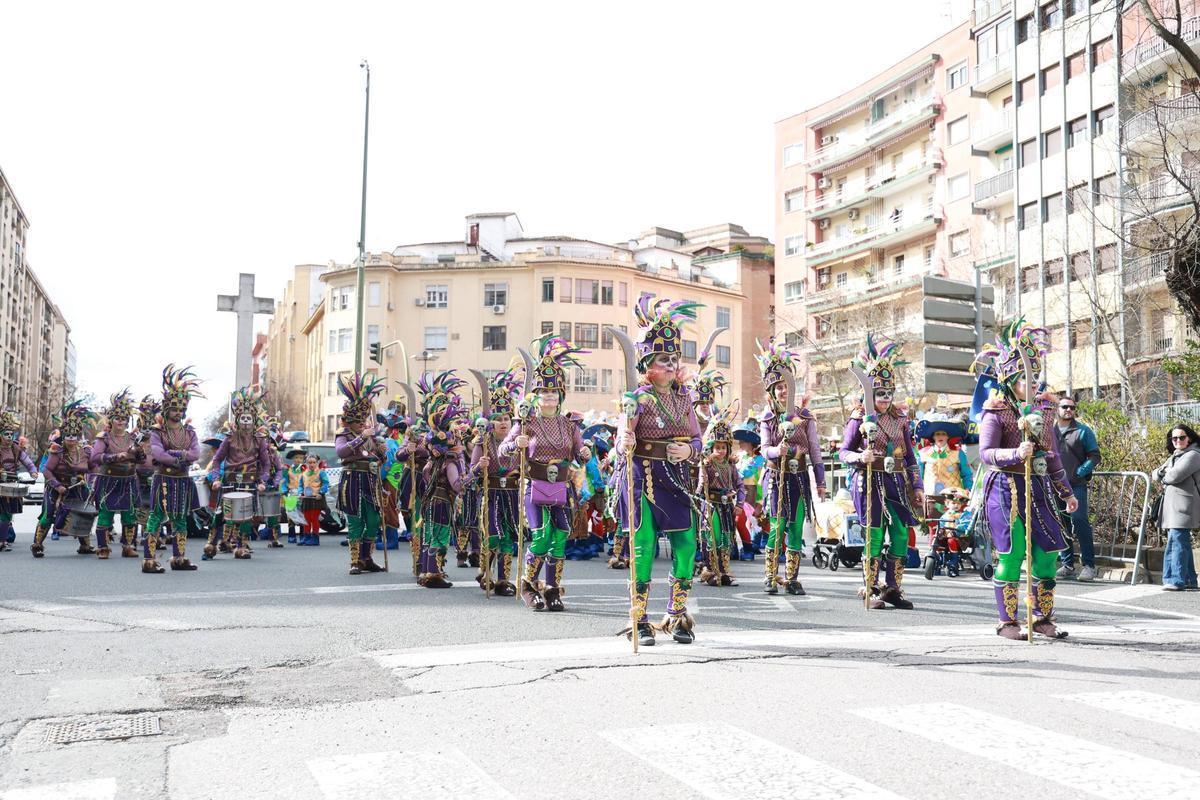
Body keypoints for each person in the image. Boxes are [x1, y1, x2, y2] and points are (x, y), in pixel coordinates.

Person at [973, 320, 1077, 639]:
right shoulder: (996, 411)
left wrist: (1066, 492)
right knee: (1013, 553)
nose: (1030, 384)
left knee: (1047, 554)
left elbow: (1053, 455)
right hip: (1004, 489)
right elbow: (987, 453)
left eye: (1034, 376)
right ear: (1010, 379)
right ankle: (1007, 621)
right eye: (1023, 378)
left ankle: (1041, 617)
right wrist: (1016, 453)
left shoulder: (1047, 411)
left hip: (1039, 488)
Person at [613, 297, 702, 645]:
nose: (670, 364)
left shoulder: (684, 399)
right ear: (647, 363)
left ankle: (676, 614)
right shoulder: (636, 398)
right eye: (663, 359)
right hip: (641, 476)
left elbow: (698, 440)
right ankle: (640, 619)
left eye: (673, 359)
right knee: (643, 545)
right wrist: (627, 436)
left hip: (675, 478)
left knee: (686, 543)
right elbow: (622, 443)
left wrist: (689, 449)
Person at [500, 334, 592, 613]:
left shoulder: (570, 426)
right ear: (536, 396)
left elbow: (578, 453)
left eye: (554, 391)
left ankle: (552, 589)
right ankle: (529, 584)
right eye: (544, 391)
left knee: (561, 536)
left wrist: (585, 452)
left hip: (562, 488)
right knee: (541, 536)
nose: (549, 395)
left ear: (560, 395)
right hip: (535, 485)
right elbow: (504, 450)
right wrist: (516, 443)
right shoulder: (526, 423)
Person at [839, 335, 923, 610]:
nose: (885, 398)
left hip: (896, 482)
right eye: (879, 393)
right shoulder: (857, 418)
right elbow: (843, 452)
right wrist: (860, 457)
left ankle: (893, 588)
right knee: (873, 534)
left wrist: (918, 486)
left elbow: (910, 455)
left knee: (900, 533)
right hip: (869, 480)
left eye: (888, 393)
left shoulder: (900, 419)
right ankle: (870, 589)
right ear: (868, 394)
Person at [757, 341, 827, 595]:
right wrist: (778, 451)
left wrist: (820, 482)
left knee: (796, 527)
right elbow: (764, 449)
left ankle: (792, 578)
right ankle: (770, 575)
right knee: (777, 526)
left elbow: (816, 452)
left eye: (787, 386)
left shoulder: (806, 417)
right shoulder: (767, 418)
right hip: (776, 478)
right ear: (772, 391)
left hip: (798, 479)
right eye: (779, 387)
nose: (784, 391)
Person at [143, 365, 204, 573]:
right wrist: (181, 456)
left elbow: (196, 453)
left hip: (183, 480)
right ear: (167, 410)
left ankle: (178, 558)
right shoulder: (157, 431)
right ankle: (149, 560)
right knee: (156, 516)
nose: (178, 413)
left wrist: (176, 455)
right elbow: (158, 453)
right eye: (174, 409)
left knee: (180, 518)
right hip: (164, 480)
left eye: (181, 409)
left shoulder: (190, 432)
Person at [472, 369, 523, 596]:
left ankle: (503, 580)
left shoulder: (519, 441)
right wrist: (479, 466)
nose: (503, 423)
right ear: (490, 423)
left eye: (506, 419)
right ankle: (486, 573)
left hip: (511, 494)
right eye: (498, 419)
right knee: (493, 534)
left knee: (508, 537)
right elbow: (471, 474)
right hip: (490, 493)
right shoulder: (482, 442)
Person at [204, 388, 270, 561]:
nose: (246, 422)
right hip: (229, 481)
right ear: (238, 420)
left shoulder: (259, 440)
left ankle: (241, 547)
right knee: (220, 514)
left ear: (254, 420)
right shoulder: (229, 438)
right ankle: (211, 544)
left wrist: (263, 480)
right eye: (243, 419)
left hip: (249, 482)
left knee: (246, 516)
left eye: (249, 419)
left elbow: (266, 463)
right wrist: (217, 478)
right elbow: (217, 460)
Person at [335, 373, 389, 575]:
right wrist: (361, 439)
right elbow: (341, 452)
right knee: (355, 520)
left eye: (363, 420)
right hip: (352, 480)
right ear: (349, 421)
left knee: (374, 519)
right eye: (358, 421)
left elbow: (379, 458)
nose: (362, 423)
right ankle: (355, 561)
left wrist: (382, 452)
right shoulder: (344, 434)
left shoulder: (371, 436)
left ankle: (367, 557)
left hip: (371, 481)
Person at [31, 402, 98, 557]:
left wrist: (93, 482)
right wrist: (57, 485)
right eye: (68, 436)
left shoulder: (86, 452)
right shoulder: (57, 451)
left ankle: (85, 545)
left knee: (83, 514)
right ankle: (37, 544)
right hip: (57, 488)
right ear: (63, 436)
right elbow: (47, 470)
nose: (71, 439)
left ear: (79, 436)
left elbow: (93, 468)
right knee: (48, 515)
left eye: (74, 436)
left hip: (79, 488)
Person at [1053, 395, 1102, 581]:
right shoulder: (1050, 431)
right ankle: (1067, 563)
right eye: (1065, 406)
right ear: (1057, 409)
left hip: (1075, 485)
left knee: (1080, 521)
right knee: (1060, 524)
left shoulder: (1083, 431)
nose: (1068, 410)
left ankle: (1089, 565)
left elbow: (1095, 456)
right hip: (1055, 486)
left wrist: (1080, 472)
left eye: (1072, 408)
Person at [90, 390, 141, 560]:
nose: (121, 421)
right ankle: (103, 548)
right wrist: (115, 457)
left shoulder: (133, 438)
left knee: (130, 514)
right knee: (106, 513)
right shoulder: (103, 437)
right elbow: (95, 458)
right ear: (111, 419)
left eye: (124, 418)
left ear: (128, 421)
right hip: (109, 480)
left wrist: (138, 453)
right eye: (117, 418)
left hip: (128, 480)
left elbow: (142, 460)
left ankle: (128, 546)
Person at [698, 403, 743, 587]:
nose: (721, 450)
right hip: (711, 506)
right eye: (717, 447)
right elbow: (700, 488)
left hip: (726, 507)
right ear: (711, 447)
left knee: (726, 537)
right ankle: (711, 571)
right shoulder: (706, 465)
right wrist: (702, 485)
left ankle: (724, 571)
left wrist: (739, 504)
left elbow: (740, 485)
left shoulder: (731, 466)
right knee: (712, 537)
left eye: (724, 447)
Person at [1153, 423, 1200, 592]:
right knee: (1181, 541)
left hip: (1184, 505)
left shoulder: (1193, 455)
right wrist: (1162, 472)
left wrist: (1163, 473)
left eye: (1181, 437)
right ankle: (1189, 579)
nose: (1178, 441)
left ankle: (1175, 579)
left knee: (1176, 540)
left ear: (1190, 438)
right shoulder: (1176, 455)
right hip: (1174, 505)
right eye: (1174, 438)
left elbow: (1173, 475)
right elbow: (1154, 473)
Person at [0, 410, 36, 552]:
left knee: (7, 514)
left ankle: (2, 541)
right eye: (6, 434)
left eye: (11, 434)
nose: (9, 437)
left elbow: (27, 461)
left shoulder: (15, 448)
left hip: (11, 484)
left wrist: (33, 470)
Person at [282, 448, 306, 543]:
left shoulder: (305, 470)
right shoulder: (287, 469)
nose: (298, 460)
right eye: (296, 457)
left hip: (301, 494)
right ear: (292, 458)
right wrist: (284, 491)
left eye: (301, 458)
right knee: (291, 515)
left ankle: (302, 535)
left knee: (302, 514)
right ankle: (291, 535)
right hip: (291, 493)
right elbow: (283, 482)